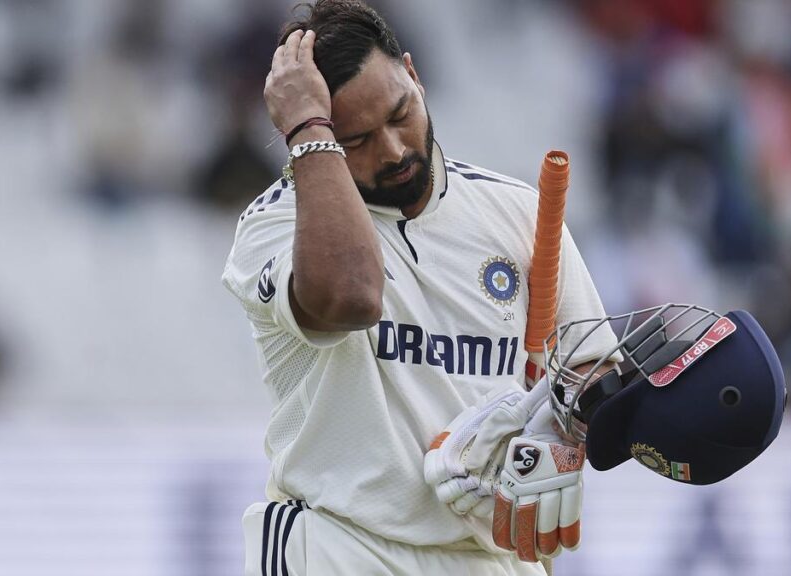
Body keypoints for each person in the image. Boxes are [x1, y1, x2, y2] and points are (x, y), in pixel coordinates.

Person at [221, 1, 618, 573]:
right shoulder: (277, 223)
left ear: (413, 73)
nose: (393, 151)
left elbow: (591, 376)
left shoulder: (516, 212)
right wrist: (306, 127)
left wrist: (559, 431)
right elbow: (351, 296)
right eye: (356, 140)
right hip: (342, 548)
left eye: (400, 113)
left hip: (491, 558)